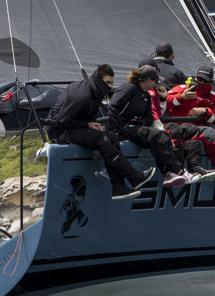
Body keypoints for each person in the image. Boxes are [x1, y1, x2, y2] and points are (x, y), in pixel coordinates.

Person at [46, 64, 157, 200]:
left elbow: (87, 114)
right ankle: (133, 176)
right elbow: (62, 120)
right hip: (60, 131)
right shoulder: (82, 94)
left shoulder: (95, 91)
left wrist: (92, 124)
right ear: (99, 80)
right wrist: (87, 124)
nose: (110, 86)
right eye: (108, 82)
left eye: (112, 83)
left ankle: (119, 188)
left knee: (112, 138)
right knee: (101, 139)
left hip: (74, 127)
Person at [107, 65, 196, 187]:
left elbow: (149, 119)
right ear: (148, 80)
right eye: (155, 81)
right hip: (120, 128)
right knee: (155, 135)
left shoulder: (146, 95)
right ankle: (180, 171)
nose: (156, 84)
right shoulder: (129, 88)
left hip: (134, 127)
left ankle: (169, 174)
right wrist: (120, 130)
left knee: (164, 136)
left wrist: (138, 121)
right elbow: (112, 107)